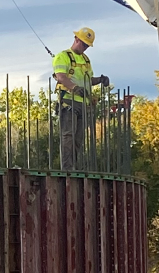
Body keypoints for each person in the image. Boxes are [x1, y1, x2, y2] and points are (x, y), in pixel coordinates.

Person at [52, 27, 109, 171]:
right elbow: (61, 77)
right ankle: (67, 169)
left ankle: (73, 166)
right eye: (83, 44)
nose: (85, 48)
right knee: (68, 136)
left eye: (87, 46)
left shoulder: (85, 60)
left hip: (83, 104)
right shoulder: (63, 56)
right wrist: (74, 88)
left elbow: (87, 80)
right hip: (69, 102)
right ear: (76, 39)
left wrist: (100, 80)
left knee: (78, 139)